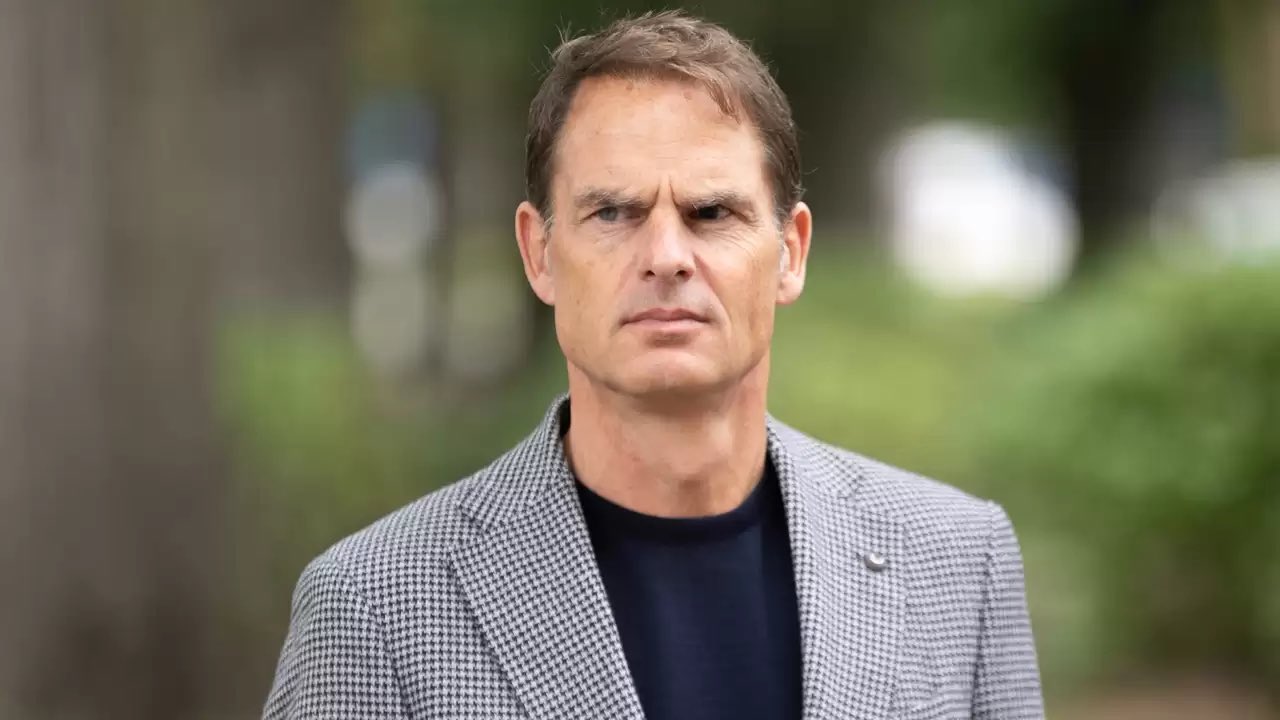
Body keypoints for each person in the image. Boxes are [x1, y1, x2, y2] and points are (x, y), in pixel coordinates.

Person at [263, 10, 1043, 720]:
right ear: (539, 253)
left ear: (791, 253)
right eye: (613, 212)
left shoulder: (957, 562)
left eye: (712, 212)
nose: (666, 256)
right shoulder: (372, 607)